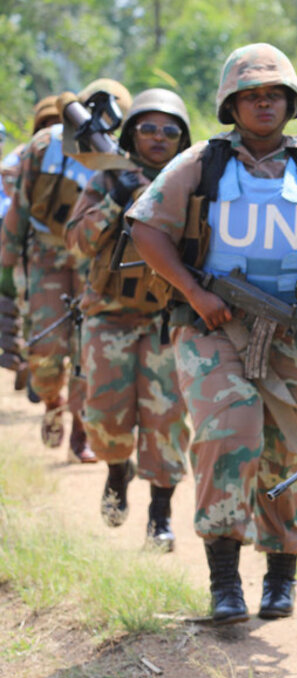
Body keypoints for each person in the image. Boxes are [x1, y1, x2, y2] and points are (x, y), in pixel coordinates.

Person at [127, 43, 297, 624]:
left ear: (290, 102)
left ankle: (281, 575)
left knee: (286, 451)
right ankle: (224, 581)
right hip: (215, 324)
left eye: (272, 94)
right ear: (231, 103)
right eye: (250, 95)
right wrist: (194, 292)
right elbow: (146, 228)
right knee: (230, 429)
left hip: (291, 335)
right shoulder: (203, 162)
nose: (262, 103)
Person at [65, 88, 194, 548]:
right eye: (148, 128)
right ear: (131, 132)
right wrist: (116, 203)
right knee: (104, 416)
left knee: (167, 421)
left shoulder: (190, 181)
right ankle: (118, 472)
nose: (159, 137)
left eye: (170, 130)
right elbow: (75, 242)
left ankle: (160, 516)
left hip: (166, 318)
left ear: (182, 138)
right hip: (109, 316)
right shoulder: (106, 179)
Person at [1, 82, 131, 464]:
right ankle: (51, 402)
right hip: (45, 254)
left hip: (92, 259)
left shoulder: (118, 156)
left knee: (87, 348)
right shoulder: (44, 146)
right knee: (44, 350)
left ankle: (79, 432)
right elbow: (19, 204)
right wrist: (7, 264)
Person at [0, 96, 62, 397]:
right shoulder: (26, 154)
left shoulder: (83, 156)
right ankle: (30, 363)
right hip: (29, 247)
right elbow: (10, 183)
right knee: (29, 309)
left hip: (68, 254)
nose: (55, 130)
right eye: (49, 125)